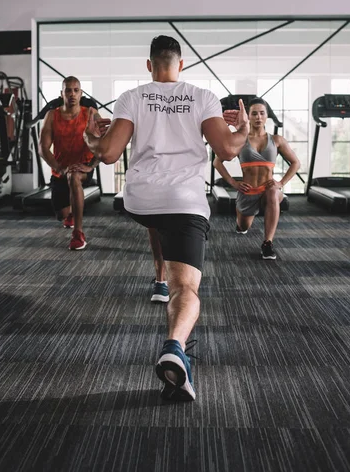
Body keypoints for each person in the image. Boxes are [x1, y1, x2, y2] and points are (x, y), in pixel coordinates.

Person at [83, 35, 249, 401]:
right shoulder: (203, 96)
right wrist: (243, 131)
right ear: (181, 64)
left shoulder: (133, 96)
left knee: (159, 222)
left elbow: (108, 154)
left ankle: (159, 276)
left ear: (149, 65)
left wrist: (89, 135)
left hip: (140, 199)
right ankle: (174, 345)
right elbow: (228, 149)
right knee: (186, 287)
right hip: (184, 199)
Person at [214, 97, 300, 260]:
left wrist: (281, 183)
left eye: (262, 113)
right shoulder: (240, 139)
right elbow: (217, 162)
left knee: (273, 193)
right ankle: (240, 223)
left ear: (267, 116)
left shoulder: (276, 140)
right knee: (243, 226)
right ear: (248, 116)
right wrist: (233, 183)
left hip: (268, 188)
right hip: (248, 192)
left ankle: (267, 243)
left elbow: (296, 163)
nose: (258, 117)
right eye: (254, 114)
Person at [39, 76, 100, 250]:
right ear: (62, 94)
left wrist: (91, 166)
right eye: (68, 90)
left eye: (76, 90)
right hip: (60, 169)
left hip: (82, 167)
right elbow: (42, 148)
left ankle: (78, 234)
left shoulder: (90, 114)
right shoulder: (52, 116)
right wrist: (60, 168)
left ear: (81, 94)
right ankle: (71, 213)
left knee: (74, 177)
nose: (72, 94)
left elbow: (104, 143)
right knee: (61, 214)